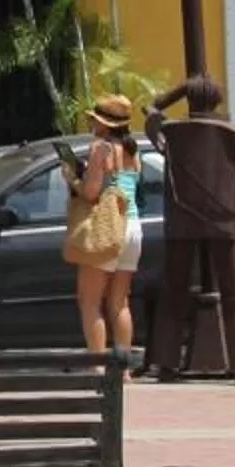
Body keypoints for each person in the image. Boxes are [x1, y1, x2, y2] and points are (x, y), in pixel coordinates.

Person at [145, 76, 235, 381]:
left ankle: (166, 361)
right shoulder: (233, 132)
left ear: (189, 99)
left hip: (181, 221)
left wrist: (171, 96)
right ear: (218, 100)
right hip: (223, 222)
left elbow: (152, 112)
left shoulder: (171, 133)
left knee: (174, 291)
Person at [66, 95, 145, 366]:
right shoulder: (133, 152)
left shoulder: (101, 148)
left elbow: (90, 193)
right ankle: (123, 372)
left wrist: (73, 178)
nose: (91, 122)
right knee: (120, 302)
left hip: (107, 227)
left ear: (104, 123)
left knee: (89, 301)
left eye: (94, 119)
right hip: (132, 226)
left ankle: (98, 369)